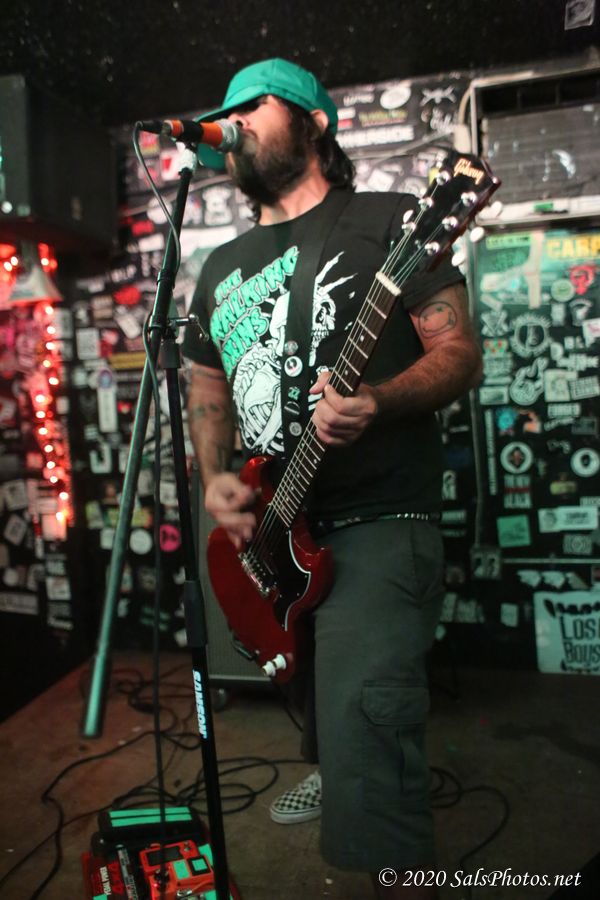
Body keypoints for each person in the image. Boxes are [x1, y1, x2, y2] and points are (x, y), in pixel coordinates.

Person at [182, 58, 482, 900]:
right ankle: (335, 764)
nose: (235, 122)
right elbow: (206, 383)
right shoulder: (219, 265)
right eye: (226, 114)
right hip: (278, 526)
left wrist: (377, 401)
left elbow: (459, 353)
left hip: (380, 515)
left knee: (367, 727)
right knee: (318, 688)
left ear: (315, 121)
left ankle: (383, 848)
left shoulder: (390, 221)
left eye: (255, 104)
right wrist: (214, 476)